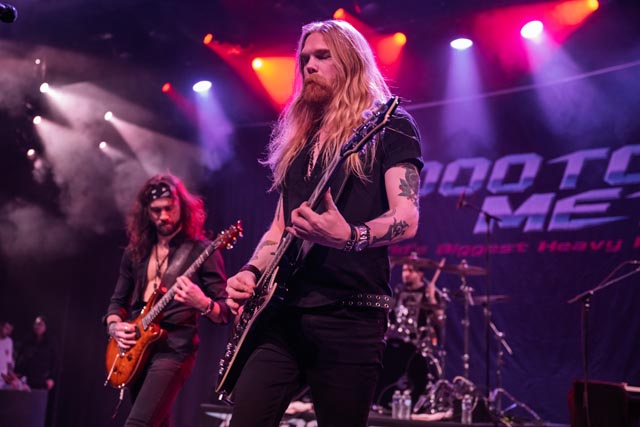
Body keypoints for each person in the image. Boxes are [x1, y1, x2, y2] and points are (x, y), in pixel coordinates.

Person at [225, 20, 423, 427]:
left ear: (350, 61)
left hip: (350, 315)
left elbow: (406, 217)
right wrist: (251, 271)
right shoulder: (301, 140)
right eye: (304, 59)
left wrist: (349, 236)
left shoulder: (390, 127)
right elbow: (280, 228)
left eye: (322, 56)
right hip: (283, 313)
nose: (309, 66)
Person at [104, 174, 230, 427]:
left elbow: (225, 312)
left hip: (174, 349)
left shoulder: (201, 250)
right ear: (146, 212)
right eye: (156, 210)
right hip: (136, 347)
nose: (163, 216)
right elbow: (117, 302)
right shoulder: (135, 252)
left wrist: (202, 303)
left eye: (169, 208)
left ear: (181, 206)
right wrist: (114, 326)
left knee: (138, 424)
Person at [15, 315, 57, 390]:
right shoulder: (27, 340)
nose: (37, 326)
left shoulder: (50, 342)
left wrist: (51, 378)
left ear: (45, 327)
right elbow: (20, 357)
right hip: (26, 379)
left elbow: (55, 361)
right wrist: (17, 373)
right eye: (36, 324)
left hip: (42, 380)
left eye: (40, 324)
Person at [0, 320, 15, 388]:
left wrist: (12, 377)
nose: (8, 331)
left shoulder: (9, 341)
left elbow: (9, 362)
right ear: (1, 326)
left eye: (10, 330)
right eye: (7, 328)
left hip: (3, 380)